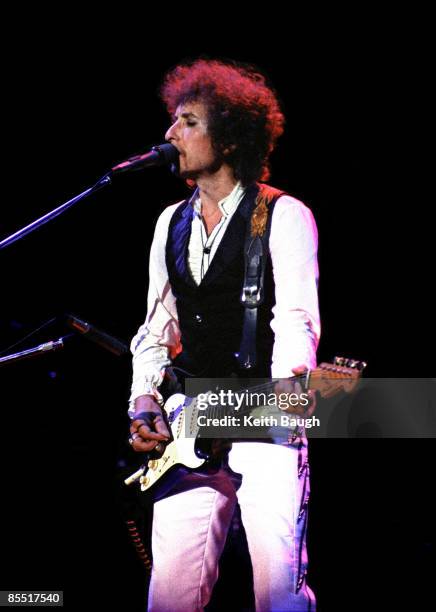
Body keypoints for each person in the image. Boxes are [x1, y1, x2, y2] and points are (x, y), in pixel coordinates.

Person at [128, 58, 320, 612]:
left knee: (277, 592)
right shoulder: (170, 222)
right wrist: (143, 401)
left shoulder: (284, 215)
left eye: (188, 121)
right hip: (193, 414)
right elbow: (156, 326)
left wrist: (289, 392)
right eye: (172, 121)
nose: (169, 134)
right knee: (169, 596)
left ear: (231, 137)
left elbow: (295, 320)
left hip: (266, 414)